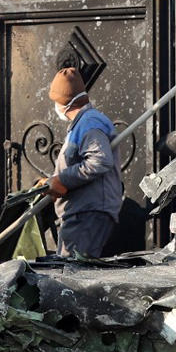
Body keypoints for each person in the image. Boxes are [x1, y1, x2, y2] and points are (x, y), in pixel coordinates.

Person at [44, 67, 122, 258]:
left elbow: (99, 161)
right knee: (69, 268)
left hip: (88, 213)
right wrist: (52, 182)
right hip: (82, 212)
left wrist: (62, 180)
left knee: (73, 271)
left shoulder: (90, 123)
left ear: (64, 102)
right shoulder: (82, 124)